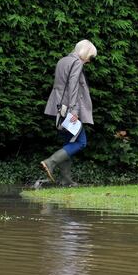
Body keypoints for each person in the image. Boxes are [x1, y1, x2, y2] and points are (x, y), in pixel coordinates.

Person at [41, 39, 97, 186]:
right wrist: (73, 111)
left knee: (68, 142)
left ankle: (66, 180)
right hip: (70, 108)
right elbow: (73, 88)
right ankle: (50, 162)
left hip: (58, 107)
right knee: (81, 142)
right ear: (85, 53)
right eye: (91, 57)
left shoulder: (62, 61)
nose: (90, 61)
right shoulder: (77, 62)